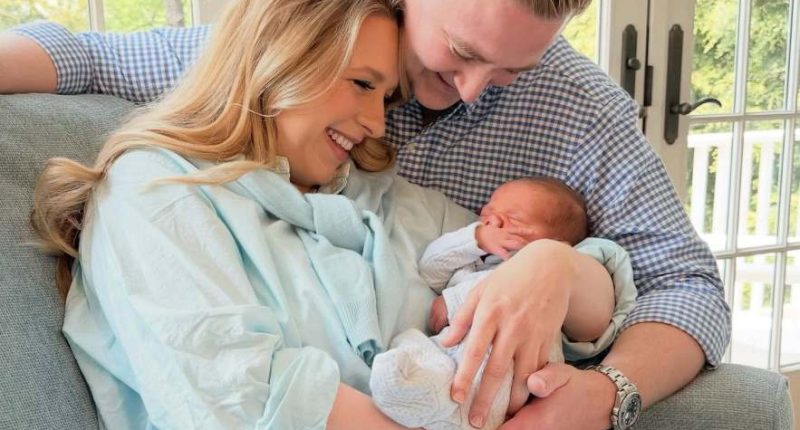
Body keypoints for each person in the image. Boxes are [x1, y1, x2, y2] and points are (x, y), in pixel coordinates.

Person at [3, 0, 731, 428]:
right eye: (459, 54)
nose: (475, 90)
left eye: (510, 71)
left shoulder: (398, 191)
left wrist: (556, 275)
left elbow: (683, 286)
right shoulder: (167, 186)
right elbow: (86, 55)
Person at [370, 177, 637, 430]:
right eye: (487, 213)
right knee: (408, 341)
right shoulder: (472, 262)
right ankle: (416, 390)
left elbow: (498, 292)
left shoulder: (547, 284)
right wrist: (475, 239)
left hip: (509, 374)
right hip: (448, 355)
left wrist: (452, 302)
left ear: (557, 242)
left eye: (513, 220)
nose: (493, 221)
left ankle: (445, 409)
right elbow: (429, 269)